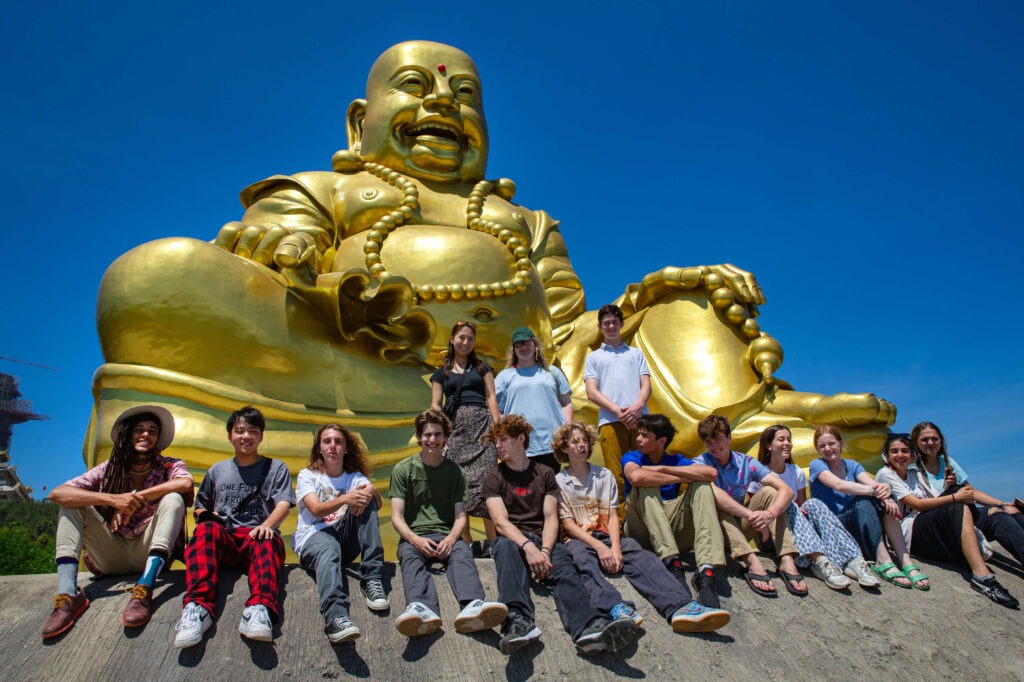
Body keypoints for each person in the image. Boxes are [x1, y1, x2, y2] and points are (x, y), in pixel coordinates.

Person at [481, 415, 638, 656]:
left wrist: (544, 550)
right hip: (515, 540)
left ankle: (587, 626)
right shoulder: (494, 477)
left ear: (520, 439)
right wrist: (528, 547)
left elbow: (551, 517)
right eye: (496, 442)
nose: (498, 446)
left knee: (563, 564)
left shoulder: (544, 473)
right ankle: (518, 622)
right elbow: (501, 523)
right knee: (503, 546)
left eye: (503, 440)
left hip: (543, 538)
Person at [553, 421, 730, 633]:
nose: (581, 445)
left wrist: (615, 547)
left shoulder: (604, 475)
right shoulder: (559, 481)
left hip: (607, 534)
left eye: (584, 441)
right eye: (574, 442)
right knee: (581, 561)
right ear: (564, 448)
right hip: (579, 539)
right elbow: (569, 525)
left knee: (643, 556)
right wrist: (599, 548)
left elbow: (611, 516)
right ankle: (615, 607)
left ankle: (681, 605)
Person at [44, 405, 193, 638]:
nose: (146, 434)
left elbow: (185, 484)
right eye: (139, 429)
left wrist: (135, 499)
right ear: (127, 434)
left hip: (149, 549)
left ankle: (144, 589)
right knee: (71, 503)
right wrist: (113, 500)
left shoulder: (169, 466)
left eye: (152, 431)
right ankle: (68, 595)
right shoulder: (109, 469)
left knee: (174, 498)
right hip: (111, 552)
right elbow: (56, 493)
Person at [174, 406, 296, 648]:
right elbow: (200, 506)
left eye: (253, 431)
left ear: (261, 436)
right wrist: (208, 516)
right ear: (229, 435)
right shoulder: (217, 470)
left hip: (255, 536)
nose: (246, 436)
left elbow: (284, 502)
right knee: (205, 530)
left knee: (268, 538)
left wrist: (267, 525)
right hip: (225, 539)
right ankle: (197, 608)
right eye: (240, 431)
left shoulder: (276, 467)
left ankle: (260, 609)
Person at [389, 409, 507, 638]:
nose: (432, 439)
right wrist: (414, 539)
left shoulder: (456, 472)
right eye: (427, 435)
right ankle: (421, 607)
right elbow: (396, 517)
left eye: (437, 434)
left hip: (446, 534)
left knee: (462, 554)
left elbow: (461, 515)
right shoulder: (403, 469)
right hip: (415, 536)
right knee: (410, 557)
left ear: (446, 437)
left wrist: (452, 539)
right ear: (418, 436)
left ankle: (473, 603)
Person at [875, 434, 1017, 606]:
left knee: (996, 516)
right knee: (957, 502)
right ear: (887, 455)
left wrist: (989, 507)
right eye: (894, 451)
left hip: (927, 524)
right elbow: (917, 504)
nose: (900, 455)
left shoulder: (915, 474)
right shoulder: (885, 474)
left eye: (905, 451)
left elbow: (936, 498)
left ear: (912, 454)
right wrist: (955, 496)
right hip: (908, 532)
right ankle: (982, 577)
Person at [749, 425, 878, 590]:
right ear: (768, 445)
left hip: (798, 532)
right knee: (787, 501)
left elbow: (803, 506)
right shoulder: (759, 473)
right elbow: (752, 506)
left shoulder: (795, 471)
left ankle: (853, 560)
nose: (787, 443)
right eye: (781, 439)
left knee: (813, 504)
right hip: (770, 535)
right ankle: (820, 561)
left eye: (789, 439)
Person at [620, 413, 727, 609]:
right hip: (641, 530)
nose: (638, 439)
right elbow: (635, 477)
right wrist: (680, 477)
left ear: (661, 441)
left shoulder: (676, 460)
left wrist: (662, 469)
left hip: (673, 527)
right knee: (645, 483)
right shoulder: (632, 456)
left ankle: (705, 570)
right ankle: (671, 562)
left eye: (644, 435)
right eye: (639, 434)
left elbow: (710, 474)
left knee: (702, 487)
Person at [292, 422, 387, 644]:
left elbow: (377, 505)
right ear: (320, 448)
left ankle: (371, 578)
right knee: (329, 546)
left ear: (346, 448)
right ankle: (336, 617)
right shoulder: (308, 475)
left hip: (344, 541)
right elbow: (315, 509)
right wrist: (346, 498)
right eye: (327, 441)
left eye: (338, 442)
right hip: (314, 539)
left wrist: (371, 490)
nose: (333, 446)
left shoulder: (354, 478)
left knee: (368, 499)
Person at [693, 415, 803, 597]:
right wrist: (751, 515)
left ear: (729, 437)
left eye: (718, 440)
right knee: (715, 500)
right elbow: (717, 497)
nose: (714, 447)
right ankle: (750, 560)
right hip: (714, 529)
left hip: (740, 526)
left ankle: (786, 558)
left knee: (771, 492)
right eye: (708, 442)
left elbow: (786, 490)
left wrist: (769, 514)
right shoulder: (700, 463)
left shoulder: (746, 463)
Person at [808, 426, 913, 588]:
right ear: (817, 449)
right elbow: (839, 485)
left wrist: (886, 493)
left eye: (831, 443)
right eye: (822, 446)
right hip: (834, 525)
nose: (827, 449)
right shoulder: (817, 464)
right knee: (865, 499)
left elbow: (872, 484)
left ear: (841, 444)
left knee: (883, 498)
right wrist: (876, 492)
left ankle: (905, 560)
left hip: (854, 522)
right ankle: (882, 560)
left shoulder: (851, 465)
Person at [910, 421, 1024, 568]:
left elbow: (970, 491)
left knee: (1002, 515)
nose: (930, 443)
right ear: (916, 442)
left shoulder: (947, 462)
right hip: (937, 520)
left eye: (934, 439)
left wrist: (1001, 504)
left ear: (941, 440)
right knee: (962, 496)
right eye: (924, 440)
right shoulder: (912, 467)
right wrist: (951, 490)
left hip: (962, 513)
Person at [430, 320, 500, 552]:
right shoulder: (441, 373)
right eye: (461, 337)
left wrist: (497, 429)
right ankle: (468, 543)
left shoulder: (482, 369)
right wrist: (442, 438)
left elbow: (491, 398)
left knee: (487, 485)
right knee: (460, 488)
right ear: (452, 339)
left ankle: (493, 542)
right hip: (455, 432)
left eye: (470, 339)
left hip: (483, 430)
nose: (465, 342)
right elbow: (435, 406)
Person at [583, 303, 651, 500]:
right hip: (610, 422)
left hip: (640, 421)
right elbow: (591, 392)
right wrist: (618, 411)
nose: (610, 326)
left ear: (621, 324)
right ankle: (620, 524)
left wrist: (637, 407)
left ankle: (645, 520)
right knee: (616, 474)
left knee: (644, 470)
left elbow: (646, 385)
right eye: (606, 323)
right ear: (600, 327)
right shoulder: (594, 357)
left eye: (614, 322)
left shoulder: (635, 353)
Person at [493, 327, 572, 472]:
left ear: (535, 345)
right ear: (514, 349)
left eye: (527, 343)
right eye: (518, 344)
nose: (523, 347)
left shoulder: (552, 372)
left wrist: (567, 428)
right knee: (521, 491)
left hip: (551, 443)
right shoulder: (504, 377)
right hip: (518, 445)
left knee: (550, 490)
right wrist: (502, 437)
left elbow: (566, 402)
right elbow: (496, 409)